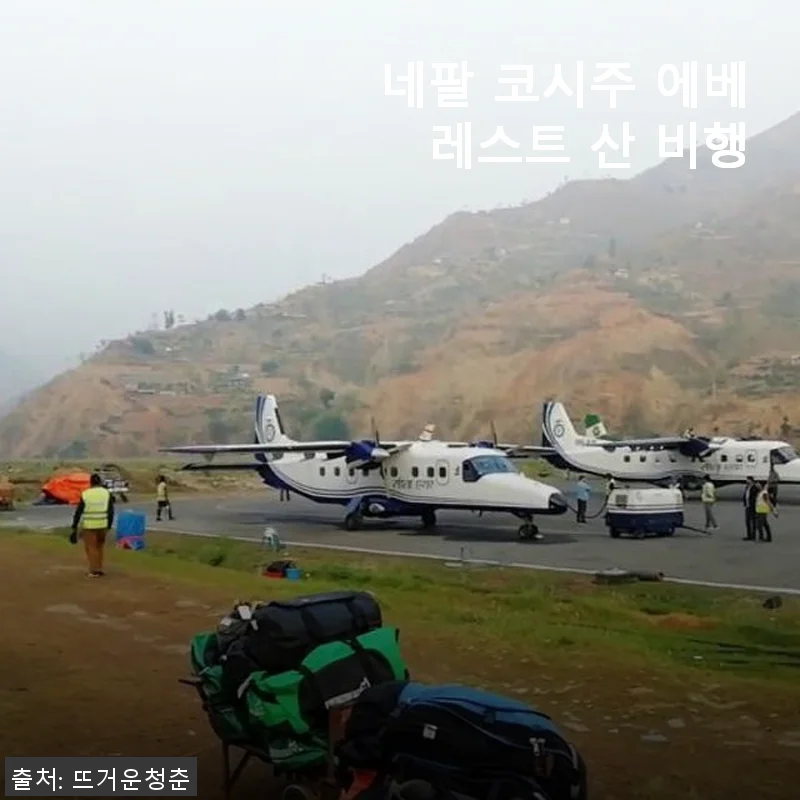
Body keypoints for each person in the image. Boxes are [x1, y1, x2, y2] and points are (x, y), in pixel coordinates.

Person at [70, 473, 115, 578]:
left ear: (90, 483)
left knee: (91, 548)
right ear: (100, 482)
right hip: (103, 524)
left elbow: (79, 511)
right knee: (99, 547)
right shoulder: (106, 493)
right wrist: (109, 525)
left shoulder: (86, 494)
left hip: (89, 525)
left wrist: (74, 526)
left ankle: (94, 570)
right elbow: (110, 511)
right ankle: (99, 568)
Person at [743, 476, 758, 541]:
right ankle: (749, 535)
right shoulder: (747, 487)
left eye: (748, 480)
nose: (747, 481)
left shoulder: (754, 488)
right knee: (747, 521)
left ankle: (753, 535)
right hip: (747, 506)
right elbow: (745, 495)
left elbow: (755, 497)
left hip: (752, 507)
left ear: (751, 480)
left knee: (753, 521)